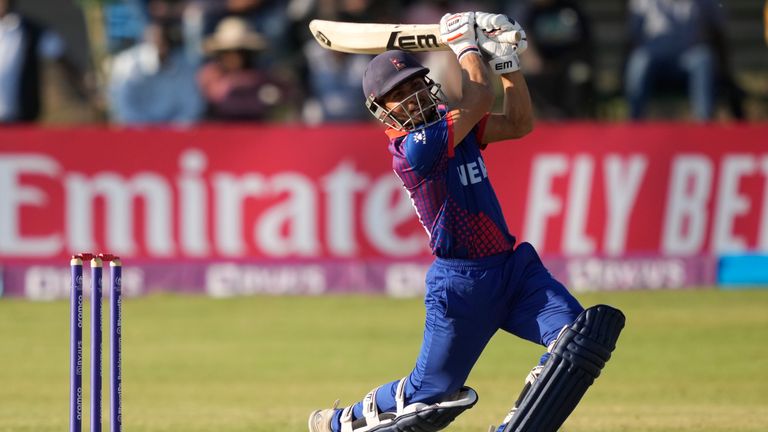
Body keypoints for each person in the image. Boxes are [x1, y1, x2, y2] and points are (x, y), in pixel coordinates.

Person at [307, 11, 625, 432]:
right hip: (462, 286)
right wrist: (468, 46)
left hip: (513, 272)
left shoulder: (449, 127)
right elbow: (476, 99)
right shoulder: (414, 148)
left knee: (577, 340)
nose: (412, 95)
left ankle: (519, 420)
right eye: (397, 93)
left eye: (415, 83)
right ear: (381, 111)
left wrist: (509, 63)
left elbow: (518, 123)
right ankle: (340, 423)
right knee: (430, 395)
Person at [624, 0, 730, 121]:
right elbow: (631, 40)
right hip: (653, 59)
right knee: (639, 59)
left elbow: (718, 34)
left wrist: (725, 71)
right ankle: (634, 123)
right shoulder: (642, 2)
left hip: (689, 59)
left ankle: (704, 123)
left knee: (703, 58)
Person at [198, 16, 297, 121]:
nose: (234, 57)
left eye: (239, 51)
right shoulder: (210, 77)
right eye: (228, 52)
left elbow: (284, 95)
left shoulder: (263, 77)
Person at [107, 19, 204, 125]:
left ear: (167, 45)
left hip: (177, 137)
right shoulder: (128, 69)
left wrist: (171, 132)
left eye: (159, 43)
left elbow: (192, 108)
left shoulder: (184, 70)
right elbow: (124, 109)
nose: (155, 48)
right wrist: (146, 131)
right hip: (139, 135)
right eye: (150, 43)